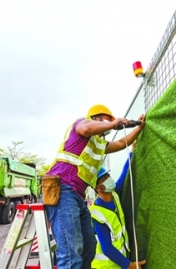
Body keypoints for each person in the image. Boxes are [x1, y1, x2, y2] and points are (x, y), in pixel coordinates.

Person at [44, 104, 145, 269]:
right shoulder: (81, 125)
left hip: (77, 195)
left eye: (109, 121)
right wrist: (114, 124)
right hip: (63, 191)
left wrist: (139, 128)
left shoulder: (99, 145)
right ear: (94, 118)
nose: (107, 124)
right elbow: (86, 128)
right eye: (104, 120)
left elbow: (120, 143)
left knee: (88, 248)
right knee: (71, 254)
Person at [90, 142, 146, 269]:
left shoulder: (114, 195)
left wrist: (132, 150)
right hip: (105, 266)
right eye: (104, 179)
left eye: (108, 175)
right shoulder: (97, 214)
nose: (109, 179)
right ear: (97, 187)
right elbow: (107, 248)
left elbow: (124, 172)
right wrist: (129, 265)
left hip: (118, 264)